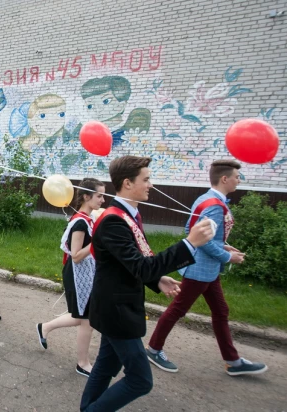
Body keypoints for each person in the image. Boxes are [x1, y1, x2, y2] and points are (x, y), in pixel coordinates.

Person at [80, 155, 214, 412]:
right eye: (147, 179)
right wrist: (189, 244)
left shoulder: (126, 215)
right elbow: (140, 266)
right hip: (117, 313)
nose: (151, 184)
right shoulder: (113, 220)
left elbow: (133, 262)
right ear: (128, 183)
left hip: (115, 308)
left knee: (106, 367)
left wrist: (157, 279)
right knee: (140, 380)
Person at [146, 160, 267, 376]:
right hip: (200, 269)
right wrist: (228, 257)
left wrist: (223, 245)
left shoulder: (205, 198)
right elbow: (204, 240)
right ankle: (154, 349)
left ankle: (233, 361)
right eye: (237, 177)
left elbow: (191, 228)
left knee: (221, 311)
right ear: (224, 179)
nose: (239, 180)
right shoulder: (213, 204)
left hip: (207, 270)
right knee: (178, 309)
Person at [36, 178, 105, 377]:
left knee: (81, 317)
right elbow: (76, 256)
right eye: (99, 195)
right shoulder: (81, 222)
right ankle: (83, 363)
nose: (102, 200)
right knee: (87, 320)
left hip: (86, 273)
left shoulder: (88, 218)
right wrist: (98, 242)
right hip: (77, 274)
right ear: (86, 196)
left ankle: (44, 327)